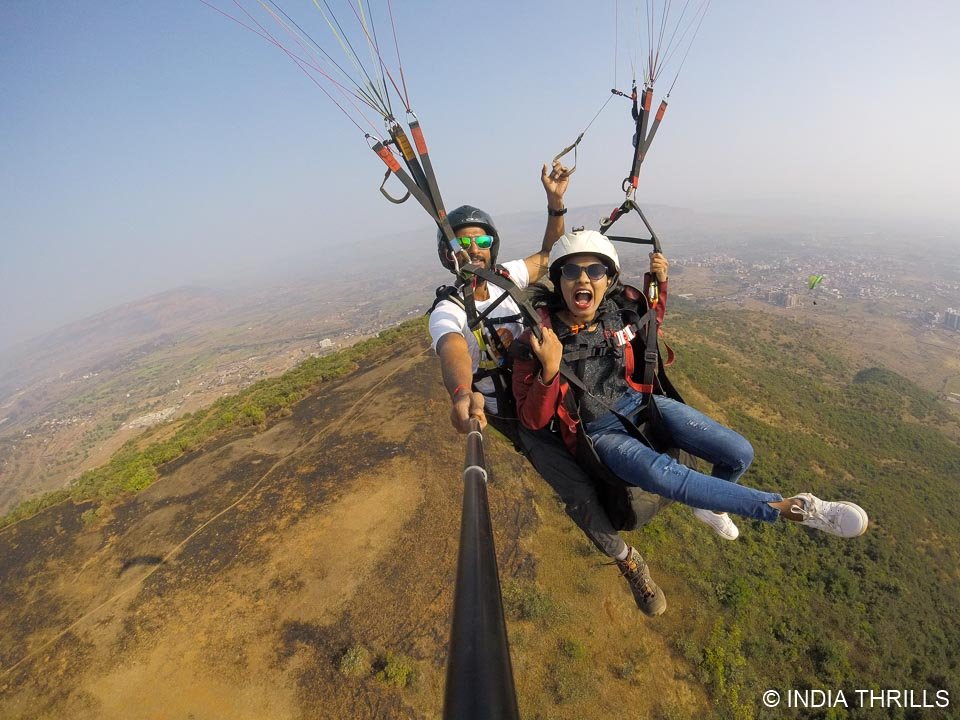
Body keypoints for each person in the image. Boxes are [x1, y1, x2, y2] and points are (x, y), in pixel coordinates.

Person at [513, 230, 870, 559]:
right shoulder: (539, 338)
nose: (583, 278)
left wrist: (659, 281)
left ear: (608, 280)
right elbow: (532, 419)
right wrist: (547, 370)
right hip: (599, 433)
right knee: (666, 475)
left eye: (595, 270)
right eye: (571, 270)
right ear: (558, 280)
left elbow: (650, 321)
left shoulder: (617, 313)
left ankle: (712, 508)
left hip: (642, 404)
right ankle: (795, 507)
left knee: (739, 453)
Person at [429, 163, 684, 617]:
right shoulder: (448, 310)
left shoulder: (507, 276)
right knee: (577, 492)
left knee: (632, 426)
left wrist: (555, 201)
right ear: (449, 253)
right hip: (522, 415)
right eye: (464, 242)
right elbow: (454, 349)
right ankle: (628, 563)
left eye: (482, 240)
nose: (474, 249)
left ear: (492, 247)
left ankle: (695, 490)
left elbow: (550, 255)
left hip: (562, 380)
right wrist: (459, 393)